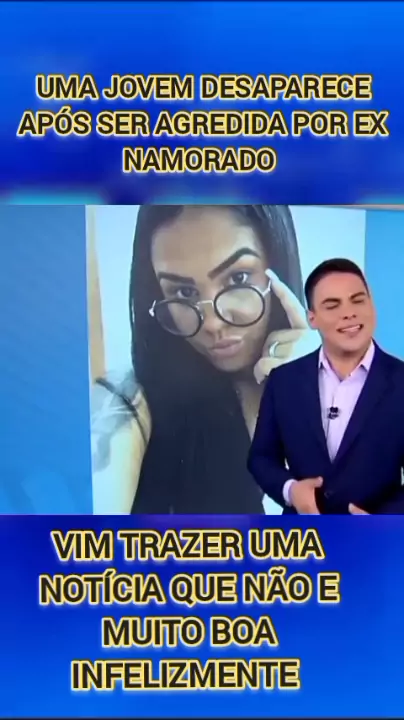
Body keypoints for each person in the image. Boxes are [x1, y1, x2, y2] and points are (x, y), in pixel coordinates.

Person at [90, 205, 319, 514]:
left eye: (238, 278)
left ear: (278, 262)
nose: (212, 323)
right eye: (184, 292)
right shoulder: (129, 402)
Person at [248, 258, 404, 515]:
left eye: (358, 300)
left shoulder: (400, 381)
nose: (349, 313)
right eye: (333, 305)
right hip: (302, 535)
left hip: (379, 536)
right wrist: (291, 490)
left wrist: (384, 521)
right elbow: (261, 458)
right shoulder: (284, 380)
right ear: (312, 318)